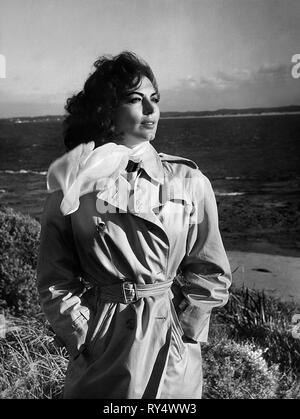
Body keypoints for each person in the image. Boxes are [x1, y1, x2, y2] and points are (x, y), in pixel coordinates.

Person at [37, 51, 232, 399]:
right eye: (135, 99)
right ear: (107, 109)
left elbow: (212, 269)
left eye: (154, 99)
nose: (151, 109)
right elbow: (54, 279)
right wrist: (83, 333)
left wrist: (187, 326)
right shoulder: (72, 185)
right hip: (104, 346)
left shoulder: (189, 180)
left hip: (170, 348)